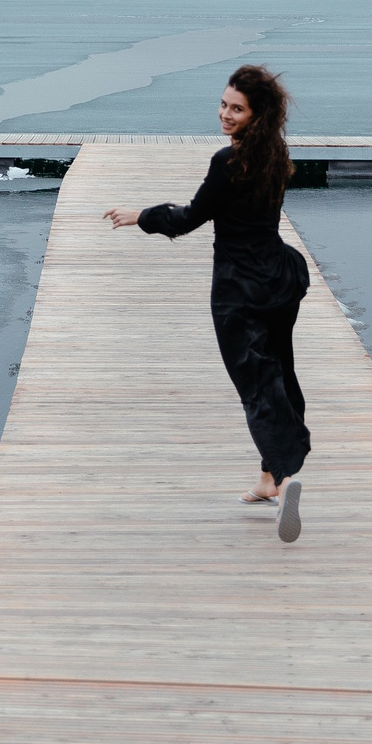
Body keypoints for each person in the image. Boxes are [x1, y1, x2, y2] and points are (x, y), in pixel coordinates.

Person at [104, 64, 313, 543]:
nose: (225, 114)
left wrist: (141, 216)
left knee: (256, 383)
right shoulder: (275, 154)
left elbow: (189, 218)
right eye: (223, 104)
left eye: (236, 108)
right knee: (277, 368)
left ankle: (283, 479)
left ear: (256, 115)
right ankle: (267, 479)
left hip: (239, 290)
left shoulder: (229, 162)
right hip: (278, 278)